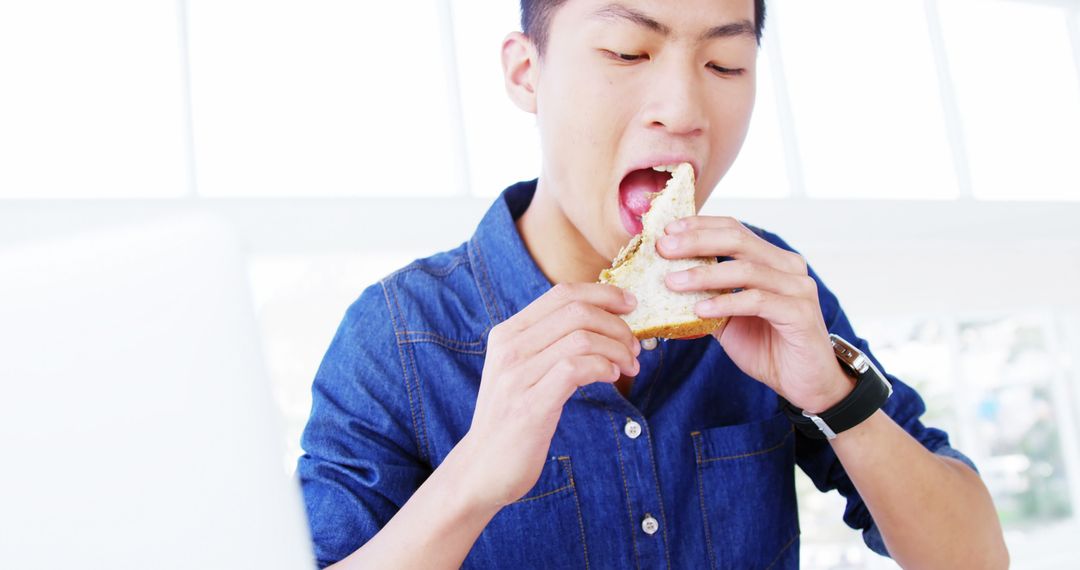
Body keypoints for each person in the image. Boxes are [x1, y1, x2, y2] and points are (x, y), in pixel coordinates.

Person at [296, 1, 1009, 567]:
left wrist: (831, 395)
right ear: (525, 73)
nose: (685, 109)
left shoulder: (766, 290)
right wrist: (474, 477)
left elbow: (975, 560)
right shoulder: (395, 336)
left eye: (725, 64)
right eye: (627, 52)